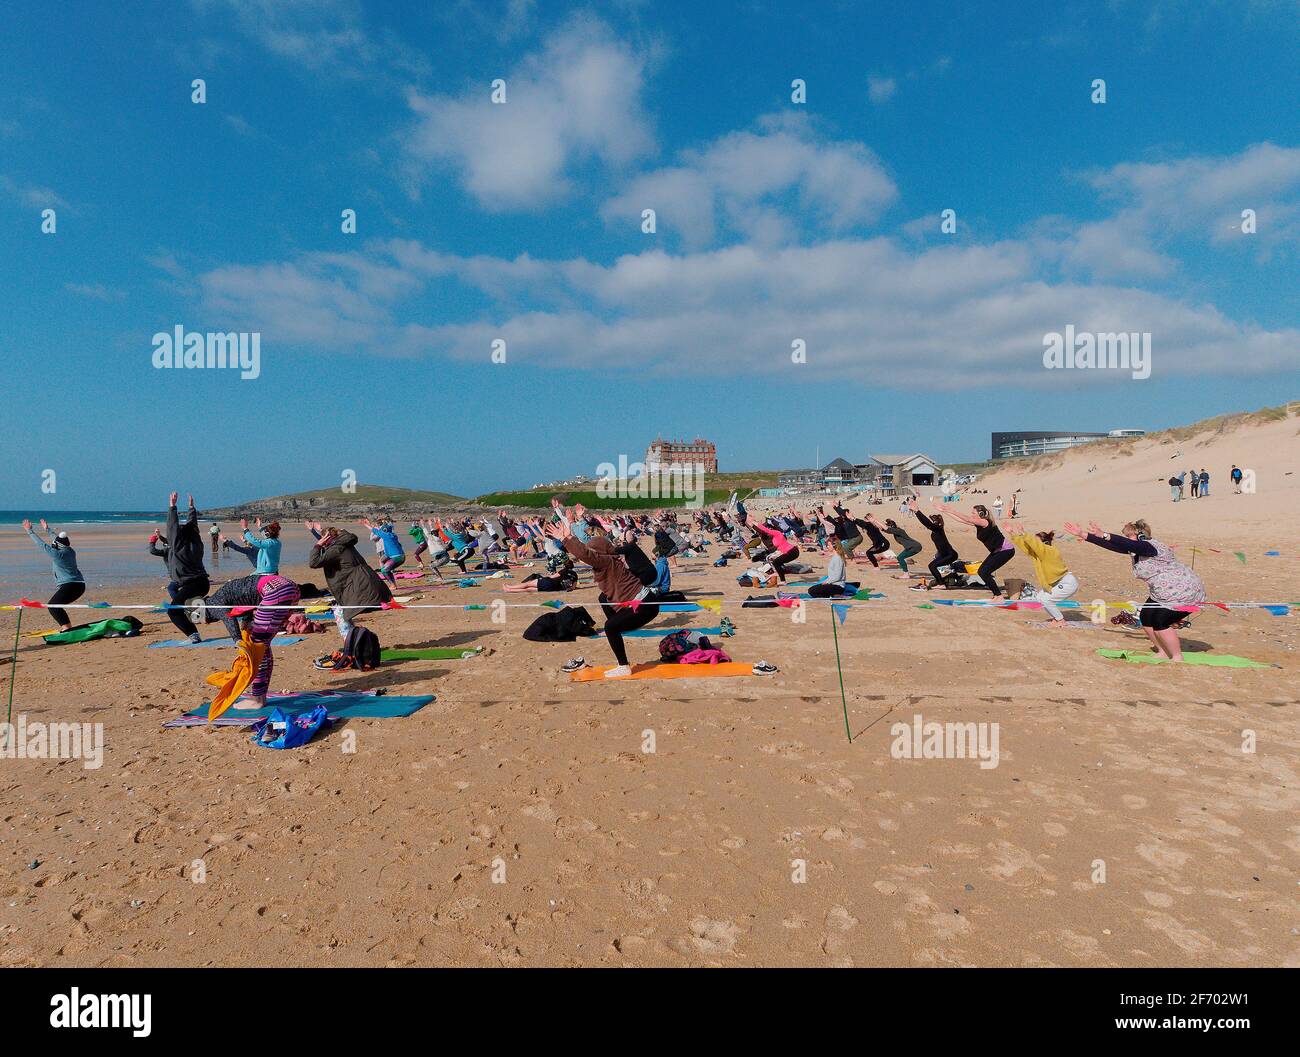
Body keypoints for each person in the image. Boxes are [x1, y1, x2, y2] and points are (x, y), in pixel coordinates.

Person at [1064, 517, 1205, 661]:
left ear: (1141, 535)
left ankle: (1176, 656)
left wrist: (1105, 534)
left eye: (1129, 536)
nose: (1127, 539)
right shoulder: (1136, 549)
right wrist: (1083, 535)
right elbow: (1113, 546)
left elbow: (1123, 542)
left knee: (1160, 622)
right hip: (1163, 592)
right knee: (1146, 617)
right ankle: (1162, 651)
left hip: (1184, 590)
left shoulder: (1149, 546)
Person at [546, 506, 658, 678]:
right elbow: (583, 551)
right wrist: (569, 535)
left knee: (610, 627)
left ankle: (623, 666)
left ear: (598, 553)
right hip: (643, 603)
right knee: (603, 599)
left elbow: (585, 554)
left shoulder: (606, 562)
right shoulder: (608, 562)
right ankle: (617, 627)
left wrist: (565, 538)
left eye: (593, 552)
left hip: (644, 605)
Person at [306, 523, 393, 643]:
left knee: (341, 614)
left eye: (324, 538)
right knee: (344, 613)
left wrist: (317, 545)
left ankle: (351, 644)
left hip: (358, 585)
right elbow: (330, 546)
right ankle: (353, 641)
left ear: (328, 538)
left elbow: (314, 562)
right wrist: (318, 531)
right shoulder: (343, 543)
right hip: (364, 582)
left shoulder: (337, 549)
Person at [1005, 519, 1077, 624]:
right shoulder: (1038, 554)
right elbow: (1027, 547)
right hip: (1055, 584)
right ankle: (1056, 618)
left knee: (1046, 600)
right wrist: (1012, 533)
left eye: (1035, 542)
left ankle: (1060, 620)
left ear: (1044, 543)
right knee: (1040, 598)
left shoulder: (1051, 551)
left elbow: (1036, 546)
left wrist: (1024, 533)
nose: (1033, 545)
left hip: (1067, 583)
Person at [160, 493, 210, 644]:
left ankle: (193, 635)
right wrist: (191, 508)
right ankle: (199, 607)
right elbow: (193, 525)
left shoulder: (178, 545)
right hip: (202, 583)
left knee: (173, 611)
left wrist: (172, 506)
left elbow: (172, 527)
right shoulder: (197, 543)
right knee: (182, 601)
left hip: (192, 584)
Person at [23, 518, 85, 632]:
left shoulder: (57, 555)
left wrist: (29, 531)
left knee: (52, 606)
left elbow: (42, 545)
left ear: (57, 546)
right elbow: (58, 541)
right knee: (56, 606)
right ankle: (67, 627)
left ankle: (66, 628)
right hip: (80, 586)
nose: (53, 545)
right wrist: (47, 529)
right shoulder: (70, 551)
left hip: (71, 586)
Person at [944, 503, 1017, 597]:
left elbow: (967, 519)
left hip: (1006, 550)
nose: (972, 515)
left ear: (981, 514)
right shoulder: (979, 523)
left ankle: (998, 596)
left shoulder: (985, 522)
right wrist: (946, 511)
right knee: (982, 571)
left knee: (984, 572)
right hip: (997, 551)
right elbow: (962, 520)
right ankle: (997, 595)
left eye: (973, 513)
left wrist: (952, 510)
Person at [907, 497, 959, 590]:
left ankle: (941, 584)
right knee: (932, 566)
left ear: (937, 523)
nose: (931, 522)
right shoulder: (936, 530)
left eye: (933, 521)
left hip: (950, 555)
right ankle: (940, 583)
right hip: (944, 554)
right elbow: (927, 524)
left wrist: (917, 511)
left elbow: (927, 523)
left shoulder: (938, 529)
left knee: (932, 566)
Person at [363, 518, 405, 586]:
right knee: (382, 561)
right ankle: (393, 583)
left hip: (396, 558)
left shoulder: (385, 535)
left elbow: (373, 529)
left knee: (384, 570)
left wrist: (366, 524)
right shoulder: (393, 535)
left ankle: (392, 584)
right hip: (400, 556)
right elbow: (388, 527)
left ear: (384, 531)